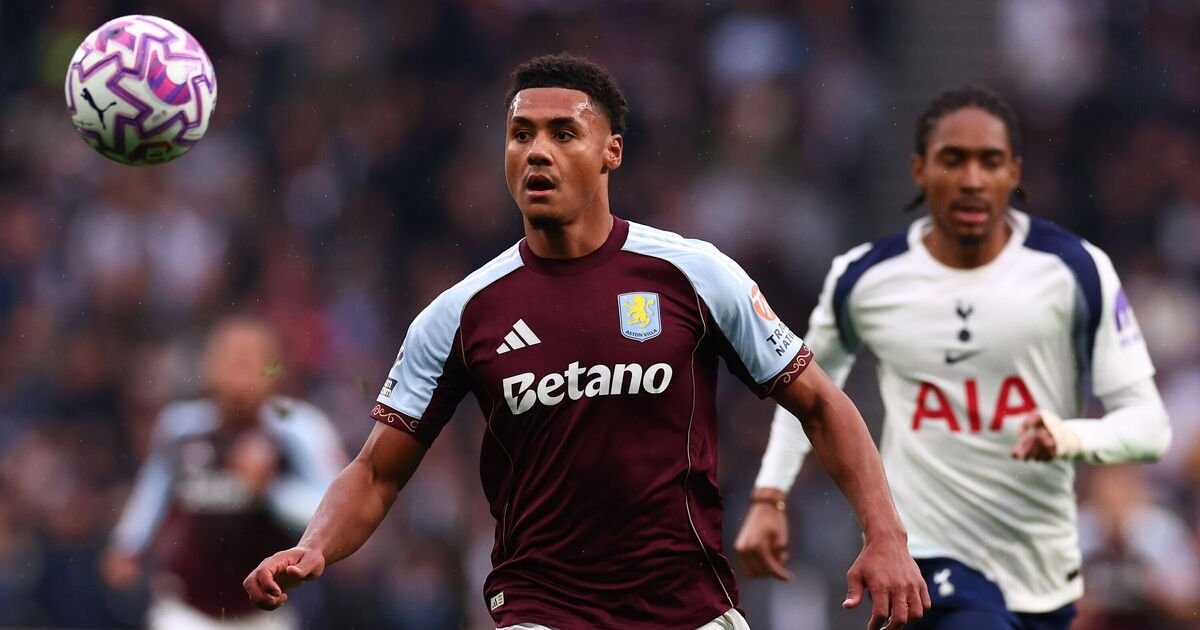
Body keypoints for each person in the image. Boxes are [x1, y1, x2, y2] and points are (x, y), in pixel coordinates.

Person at [244, 53, 928, 630]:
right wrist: (315, 546)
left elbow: (820, 404)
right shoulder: (458, 314)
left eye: (563, 133)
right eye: (520, 134)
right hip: (542, 612)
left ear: (611, 152)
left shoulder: (695, 274)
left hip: (688, 612)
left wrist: (886, 534)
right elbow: (375, 471)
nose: (536, 150)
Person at [734, 85, 1172, 630]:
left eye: (989, 161)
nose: (971, 179)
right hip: (931, 562)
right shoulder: (866, 277)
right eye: (953, 159)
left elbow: (1150, 428)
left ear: (1014, 172)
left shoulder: (1076, 270)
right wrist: (770, 494)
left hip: (1042, 573)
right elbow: (807, 393)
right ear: (919, 170)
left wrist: (1070, 436)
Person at [102, 318, 346, 629]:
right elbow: (154, 489)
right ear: (209, 367)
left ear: (274, 370)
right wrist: (128, 544)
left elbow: (332, 518)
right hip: (185, 610)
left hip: (267, 615)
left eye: (250, 362)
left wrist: (271, 489)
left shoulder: (300, 429)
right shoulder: (180, 428)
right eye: (231, 361)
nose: (239, 377)